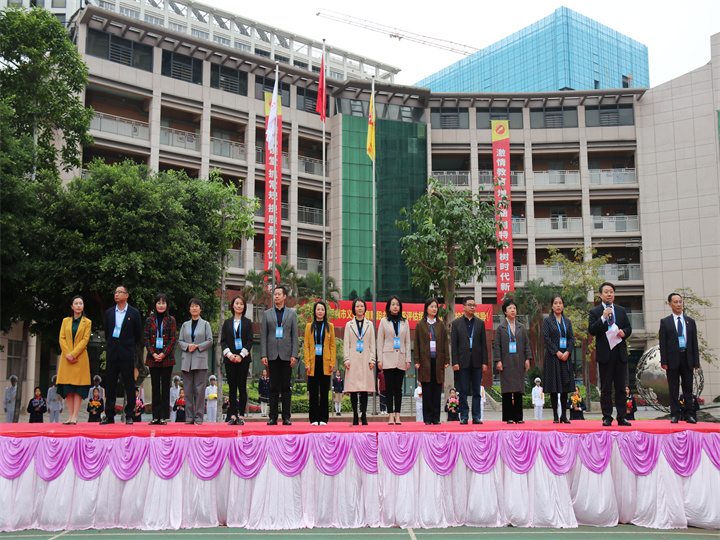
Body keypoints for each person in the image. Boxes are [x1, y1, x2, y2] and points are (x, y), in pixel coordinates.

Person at [589, 282, 633, 427]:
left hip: (619, 353)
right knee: (606, 388)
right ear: (600, 295)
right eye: (606, 292)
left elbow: (628, 327)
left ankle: (622, 416)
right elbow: (592, 330)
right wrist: (602, 318)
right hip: (605, 354)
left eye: (611, 292)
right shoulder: (595, 311)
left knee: (621, 387)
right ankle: (607, 417)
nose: (609, 294)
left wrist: (624, 333)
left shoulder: (621, 310)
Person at [102, 286, 142, 425]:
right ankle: (109, 415)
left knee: (129, 384)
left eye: (120, 292)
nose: (116, 294)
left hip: (127, 353)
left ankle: (129, 414)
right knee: (110, 385)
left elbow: (137, 335)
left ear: (126, 295)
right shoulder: (109, 313)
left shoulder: (134, 313)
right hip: (113, 353)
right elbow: (107, 333)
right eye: (115, 292)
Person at [659, 292, 700, 424]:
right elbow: (663, 343)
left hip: (687, 358)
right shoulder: (665, 322)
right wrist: (664, 361)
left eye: (680, 301)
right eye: (675, 302)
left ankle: (689, 414)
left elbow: (694, 343)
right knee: (674, 389)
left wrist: (696, 362)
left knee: (688, 388)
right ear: (670, 304)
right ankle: (675, 414)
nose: (678, 304)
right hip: (672, 360)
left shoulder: (690, 322)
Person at [260, 286, 299, 426]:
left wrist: (295, 354)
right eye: (274, 294)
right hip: (271, 355)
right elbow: (263, 335)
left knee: (286, 387)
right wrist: (263, 354)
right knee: (273, 387)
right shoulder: (267, 314)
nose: (276, 296)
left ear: (284, 297)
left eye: (279, 294)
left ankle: (286, 417)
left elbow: (295, 335)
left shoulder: (292, 314)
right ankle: (273, 417)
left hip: (287, 355)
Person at [494, 298, 533, 424]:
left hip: (519, 362)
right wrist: (498, 361)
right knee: (507, 390)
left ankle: (518, 417)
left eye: (514, 308)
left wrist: (527, 359)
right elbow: (497, 346)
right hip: (506, 362)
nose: (512, 310)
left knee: (518, 390)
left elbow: (527, 344)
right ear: (505, 311)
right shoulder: (501, 328)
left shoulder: (521, 327)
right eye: (510, 308)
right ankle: (508, 417)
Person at [450, 296, 489, 425]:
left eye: (474, 305)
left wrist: (485, 362)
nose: (472, 307)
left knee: (477, 391)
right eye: (470, 305)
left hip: (477, 361)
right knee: (463, 390)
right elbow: (454, 345)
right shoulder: (456, 323)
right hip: (462, 361)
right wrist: (455, 362)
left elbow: (484, 344)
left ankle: (476, 416)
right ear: (464, 307)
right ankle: (464, 416)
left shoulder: (480, 323)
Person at [178, 298, 214, 425]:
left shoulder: (205, 324)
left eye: (196, 306)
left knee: (200, 390)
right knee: (187, 390)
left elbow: (210, 340)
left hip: (200, 360)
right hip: (187, 360)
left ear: (200, 309)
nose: (194, 308)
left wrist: (198, 346)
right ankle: (188, 417)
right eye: (192, 306)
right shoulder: (184, 325)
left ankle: (198, 417)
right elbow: (180, 341)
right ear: (189, 309)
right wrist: (187, 346)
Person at [414, 298, 449, 425]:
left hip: (438, 361)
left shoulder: (441, 324)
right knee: (427, 391)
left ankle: (436, 417)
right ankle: (427, 418)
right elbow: (416, 344)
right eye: (431, 306)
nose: (434, 309)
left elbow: (445, 343)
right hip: (425, 362)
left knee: (437, 390)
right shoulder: (420, 324)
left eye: (436, 307)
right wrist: (417, 360)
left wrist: (447, 359)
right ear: (426, 308)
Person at [144, 293, 177, 426]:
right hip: (153, 358)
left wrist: (163, 354)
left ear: (167, 305)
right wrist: (153, 353)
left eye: (163, 303)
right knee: (155, 388)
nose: (161, 305)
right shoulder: (149, 320)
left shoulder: (171, 320)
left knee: (165, 387)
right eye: (159, 302)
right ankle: (155, 416)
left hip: (166, 359)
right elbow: (146, 339)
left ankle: (163, 416)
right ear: (155, 304)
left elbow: (173, 339)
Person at [377, 295, 411, 425]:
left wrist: (408, 359)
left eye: (397, 304)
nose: (395, 306)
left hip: (401, 358)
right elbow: (380, 342)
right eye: (393, 304)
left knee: (398, 389)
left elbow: (408, 342)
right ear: (389, 307)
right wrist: (380, 360)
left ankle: (398, 415)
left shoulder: (405, 322)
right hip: (387, 358)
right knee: (389, 388)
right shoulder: (384, 321)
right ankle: (390, 415)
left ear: (400, 307)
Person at [59, 295, 93, 425]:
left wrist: (73, 354)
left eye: (81, 303)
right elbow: (61, 339)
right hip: (66, 359)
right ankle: (69, 416)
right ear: (72, 306)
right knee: (68, 388)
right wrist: (68, 354)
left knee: (78, 388)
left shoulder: (87, 322)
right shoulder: (65, 321)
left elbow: (85, 340)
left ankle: (75, 416)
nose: (79, 305)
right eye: (76, 303)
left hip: (80, 358)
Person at [221, 295, 253, 425]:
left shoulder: (247, 322)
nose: (239, 305)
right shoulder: (227, 323)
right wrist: (230, 355)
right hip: (230, 360)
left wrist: (240, 355)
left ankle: (242, 416)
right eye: (237, 303)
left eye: (241, 304)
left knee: (242, 387)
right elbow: (223, 341)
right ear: (232, 306)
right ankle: (233, 415)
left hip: (243, 360)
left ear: (244, 307)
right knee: (232, 387)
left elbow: (250, 341)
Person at [543, 295, 575, 424]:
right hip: (553, 357)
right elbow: (546, 337)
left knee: (564, 387)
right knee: (554, 387)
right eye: (555, 303)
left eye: (560, 303)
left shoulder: (567, 321)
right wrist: (556, 351)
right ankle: (555, 415)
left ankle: (564, 415)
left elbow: (571, 338)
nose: (558, 305)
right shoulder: (547, 321)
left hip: (565, 357)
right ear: (552, 306)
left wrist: (567, 351)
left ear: (563, 305)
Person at [304, 300, 336, 426]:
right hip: (312, 364)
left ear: (325, 311)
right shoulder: (309, 326)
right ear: (315, 311)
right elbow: (306, 345)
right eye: (318, 309)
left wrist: (332, 362)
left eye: (322, 309)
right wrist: (307, 362)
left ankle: (323, 418)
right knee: (313, 392)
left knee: (324, 392)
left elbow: (333, 346)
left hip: (325, 364)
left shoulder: (330, 327)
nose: (320, 312)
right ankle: (313, 419)